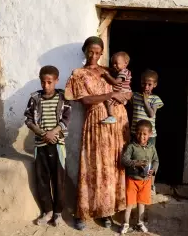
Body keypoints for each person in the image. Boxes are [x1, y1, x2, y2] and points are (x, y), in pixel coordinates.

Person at [65, 36, 132, 230]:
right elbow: (85, 100)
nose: (94, 55)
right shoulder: (79, 74)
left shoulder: (109, 71)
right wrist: (110, 95)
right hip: (96, 122)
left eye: (97, 52)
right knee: (92, 165)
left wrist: (126, 95)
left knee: (111, 167)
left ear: (102, 53)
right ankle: (83, 212)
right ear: (85, 51)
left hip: (117, 123)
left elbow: (124, 89)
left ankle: (106, 211)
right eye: (90, 51)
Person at [24, 65, 72, 227]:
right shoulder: (35, 98)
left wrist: (53, 133)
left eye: (49, 82)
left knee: (58, 180)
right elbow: (29, 120)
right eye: (43, 82)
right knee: (42, 179)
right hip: (40, 145)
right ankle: (47, 211)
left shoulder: (62, 98)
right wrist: (43, 134)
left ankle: (58, 213)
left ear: (56, 81)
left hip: (57, 144)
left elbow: (66, 119)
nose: (46, 85)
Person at [120, 120, 159, 234]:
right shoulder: (132, 147)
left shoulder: (151, 147)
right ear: (135, 133)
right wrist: (136, 163)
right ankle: (125, 224)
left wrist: (153, 172)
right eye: (139, 133)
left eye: (144, 134)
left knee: (141, 203)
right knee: (129, 204)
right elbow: (124, 160)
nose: (141, 136)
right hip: (132, 180)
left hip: (146, 181)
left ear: (150, 134)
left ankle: (140, 222)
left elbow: (156, 160)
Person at [131, 69, 163, 193]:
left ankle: (150, 184)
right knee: (136, 157)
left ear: (155, 85)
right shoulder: (135, 96)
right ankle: (136, 183)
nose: (146, 87)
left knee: (150, 158)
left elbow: (151, 114)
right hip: (135, 133)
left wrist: (145, 101)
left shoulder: (155, 99)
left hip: (150, 136)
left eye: (150, 84)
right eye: (144, 84)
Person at [101, 51, 132, 124]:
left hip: (122, 92)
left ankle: (111, 116)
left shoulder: (123, 72)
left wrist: (107, 76)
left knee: (108, 101)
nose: (114, 65)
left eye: (116, 63)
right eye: (113, 64)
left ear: (125, 63)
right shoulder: (122, 72)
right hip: (122, 93)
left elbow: (115, 82)